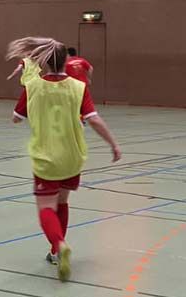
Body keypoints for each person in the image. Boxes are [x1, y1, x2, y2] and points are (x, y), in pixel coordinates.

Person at [8, 37, 121, 281]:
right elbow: (93, 119)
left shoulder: (33, 86)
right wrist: (113, 144)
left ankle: (59, 244)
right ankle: (55, 252)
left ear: (45, 62)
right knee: (62, 202)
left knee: (46, 208)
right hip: (72, 157)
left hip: (47, 157)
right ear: (66, 61)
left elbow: (16, 118)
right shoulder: (78, 87)